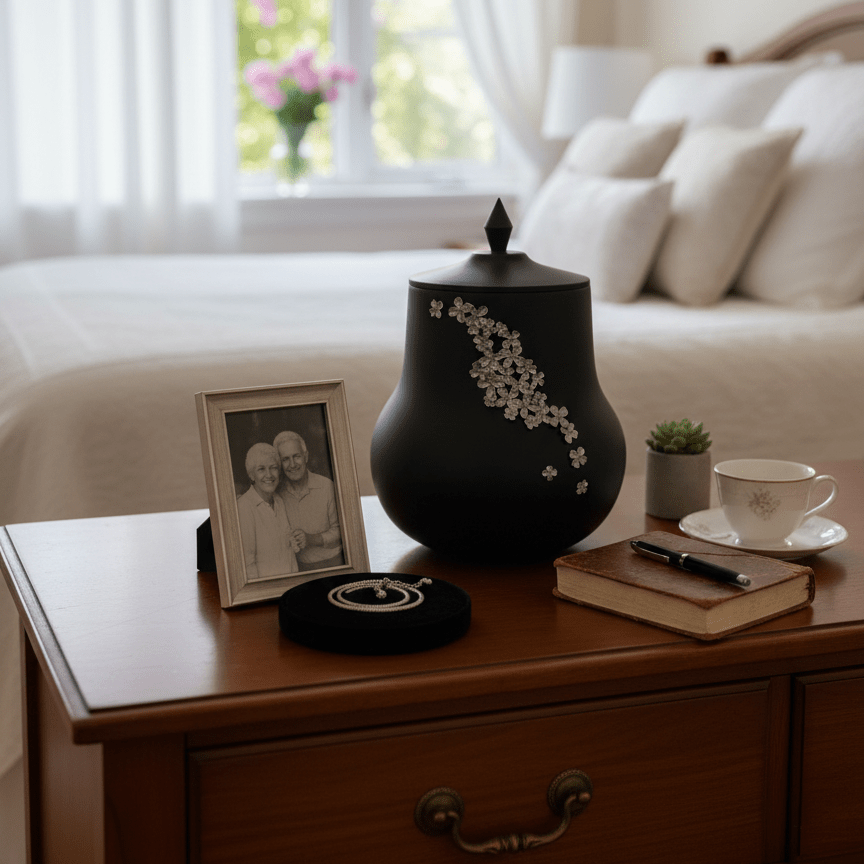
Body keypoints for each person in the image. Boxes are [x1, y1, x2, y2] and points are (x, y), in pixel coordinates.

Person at [274, 430, 344, 572]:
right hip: (298, 569)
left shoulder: (327, 486)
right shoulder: (277, 496)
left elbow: (342, 531)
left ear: (305, 456)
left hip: (334, 564)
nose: (292, 464)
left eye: (296, 456)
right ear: (279, 464)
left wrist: (311, 539)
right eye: (285, 459)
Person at [237, 442, 299, 580]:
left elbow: (289, 551)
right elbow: (247, 564)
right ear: (252, 475)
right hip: (267, 591)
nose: (269, 475)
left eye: (273, 468)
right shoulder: (244, 507)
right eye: (261, 469)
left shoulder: (279, 502)